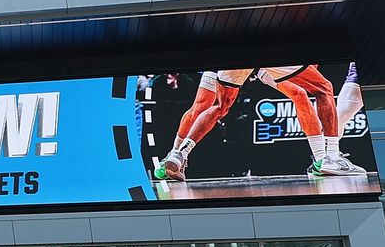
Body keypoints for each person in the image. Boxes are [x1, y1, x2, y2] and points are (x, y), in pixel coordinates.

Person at [154, 66, 364, 179]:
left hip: (229, 49)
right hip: (263, 50)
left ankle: (177, 154)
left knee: (213, 106)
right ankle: (326, 158)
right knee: (316, 89)